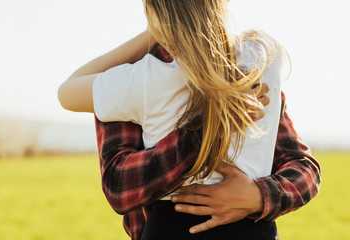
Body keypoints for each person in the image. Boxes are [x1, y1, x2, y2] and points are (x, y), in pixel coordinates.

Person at [58, 1, 321, 240]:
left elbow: (303, 167)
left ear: (152, 11)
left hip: (172, 227)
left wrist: (259, 195)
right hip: (253, 232)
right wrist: (215, 127)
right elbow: (119, 184)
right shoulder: (260, 62)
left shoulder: (140, 79)